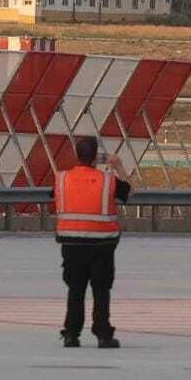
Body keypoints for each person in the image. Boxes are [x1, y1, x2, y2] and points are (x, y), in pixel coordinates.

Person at [53, 135, 131, 349]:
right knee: (101, 290)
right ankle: (103, 334)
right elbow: (128, 192)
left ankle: (71, 334)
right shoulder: (107, 181)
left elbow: (55, 197)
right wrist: (118, 166)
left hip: (72, 243)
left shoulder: (62, 178)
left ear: (77, 155)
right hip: (101, 245)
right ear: (96, 157)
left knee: (75, 290)